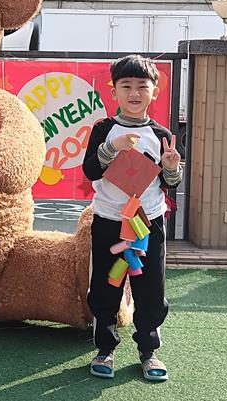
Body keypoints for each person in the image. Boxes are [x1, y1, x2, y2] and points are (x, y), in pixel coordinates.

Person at [81, 54, 182, 382]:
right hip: (109, 220)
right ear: (114, 92)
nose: (134, 93)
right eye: (126, 86)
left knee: (150, 287)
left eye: (142, 86)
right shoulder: (103, 129)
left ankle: (148, 351)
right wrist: (113, 147)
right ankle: (105, 349)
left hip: (147, 222)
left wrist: (171, 166)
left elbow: (169, 183)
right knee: (106, 285)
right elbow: (90, 170)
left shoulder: (161, 133)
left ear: (155, 92)